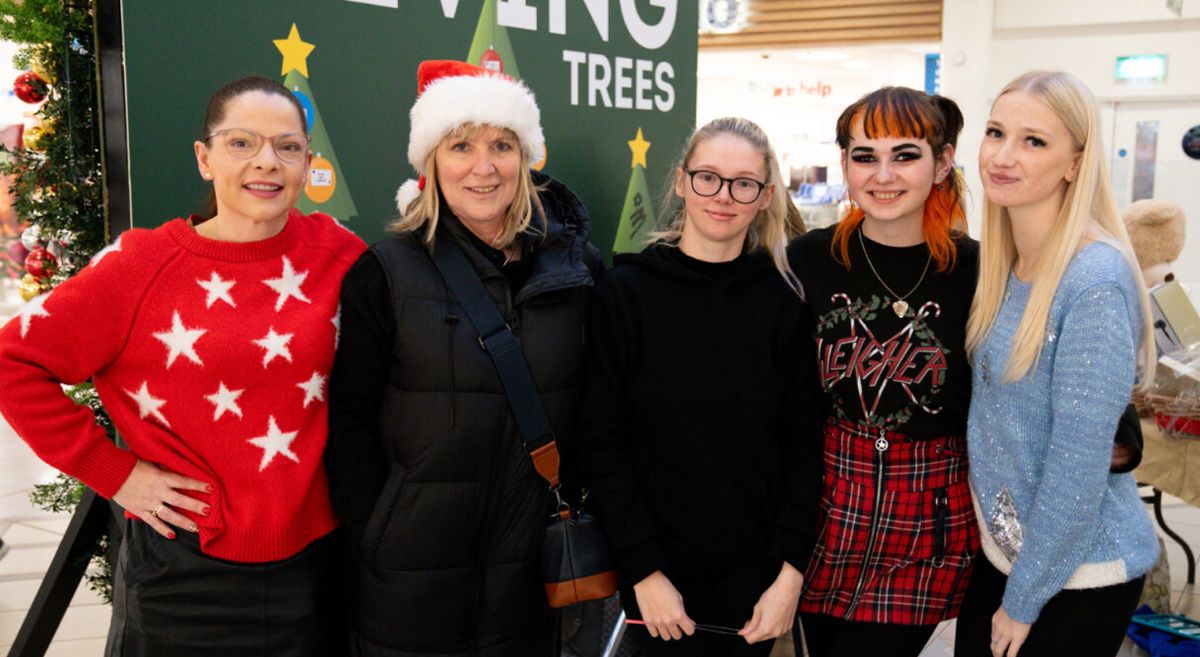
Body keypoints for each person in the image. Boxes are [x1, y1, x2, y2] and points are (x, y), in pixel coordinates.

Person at [0, 76, 366, 656]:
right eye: (242, 143)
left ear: (307, 163)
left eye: (287, 146)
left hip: (317, 570)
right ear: (205, 158)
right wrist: (113, 471)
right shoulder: (142, 264)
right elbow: (11, 361)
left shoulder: (341, 254)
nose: (266, 163)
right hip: (182, 576)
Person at [325, 60, 602, 657]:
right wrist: (379, 530)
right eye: (460, 145)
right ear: (431, 161)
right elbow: (348, 419)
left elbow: (601, 409)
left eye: (502, 144)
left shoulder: (578, 272)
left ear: (526, 159)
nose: (483, 166)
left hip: (531, 576)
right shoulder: (387, 270)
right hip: (407, 583)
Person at [575, 116, 824, 657]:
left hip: (756, 586)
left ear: (765, 196)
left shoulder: (784, 301)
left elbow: (804, 449)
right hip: (654, 580)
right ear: (683, 181)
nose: (724, 196)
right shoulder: (626, 295)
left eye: (744, 183)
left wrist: (789, 575)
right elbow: (602, 444)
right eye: (708, 177)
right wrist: (644, 571)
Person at [955, 70, 1160, 657]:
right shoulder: (1006, 262)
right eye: (996, 133)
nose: (1003, 155)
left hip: (1078, 571)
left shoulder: (1093, 280)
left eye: (1034, 141)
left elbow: (1079, 461)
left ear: (1075, 162)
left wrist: (1023, 600)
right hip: (1013, 555)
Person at [788, 87, 980, 657]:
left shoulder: (979, 269)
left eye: (905, 155)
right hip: (825, 506)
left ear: (942, 163)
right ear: (844, 163)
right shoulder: (807, 260)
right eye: (865, 155)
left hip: (928, 516)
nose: (883, 175)